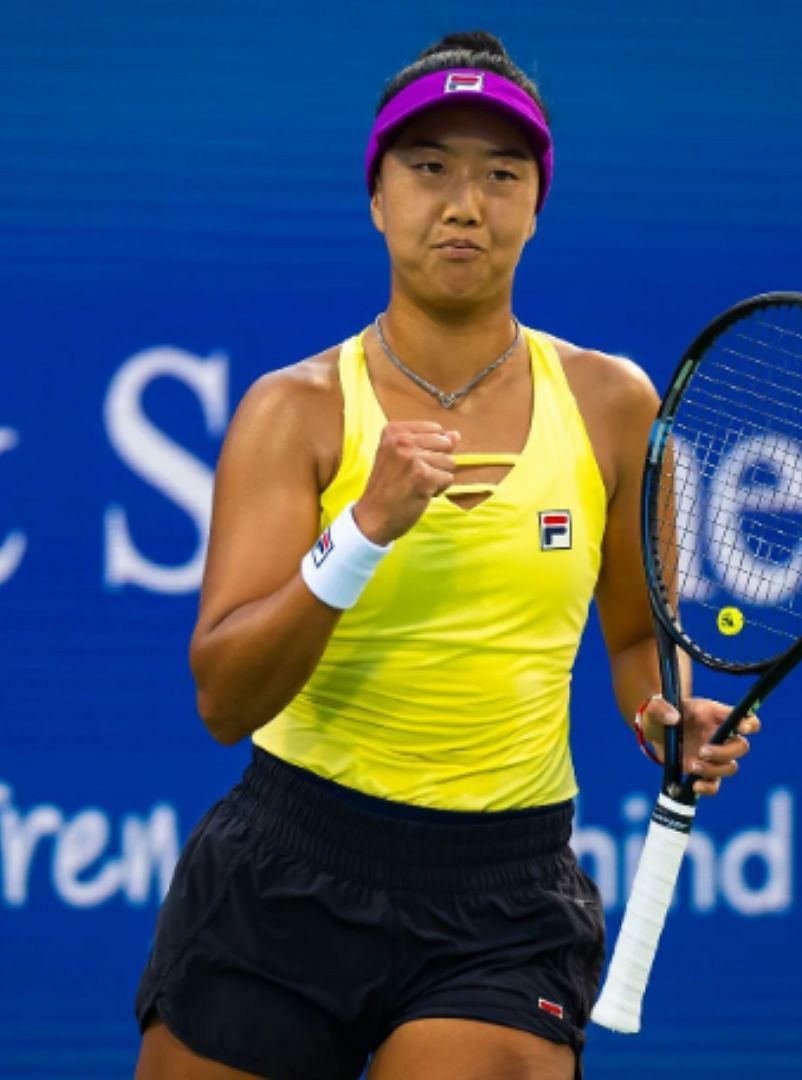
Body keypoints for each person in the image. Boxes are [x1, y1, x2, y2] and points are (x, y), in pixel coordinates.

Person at [133, 31, 757, 1080]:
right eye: (429, 169)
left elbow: (640, 637)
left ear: (537, 203)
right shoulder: (294, 414)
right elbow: (224, 700)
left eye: (500, 174)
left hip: (503, 901)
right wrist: (362, 532)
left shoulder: (615, 408)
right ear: (377, 197)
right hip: (287, 867)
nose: (464, 202)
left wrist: (666, 714)